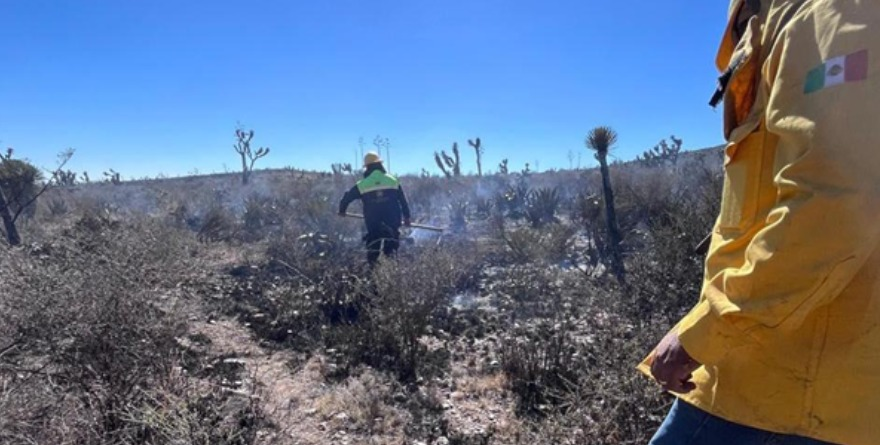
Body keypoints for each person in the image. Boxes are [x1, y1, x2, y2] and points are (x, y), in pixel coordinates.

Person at [641, 1, 880, 444]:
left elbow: (835, 206)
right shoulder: (778, 18)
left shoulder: (823, 13)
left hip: (784, 391)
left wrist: (707, 330)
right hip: (780, 380)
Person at [339, 151, 411, 264]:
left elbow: (347, 197)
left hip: (373, 223)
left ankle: (373, 273)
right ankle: (391, 275)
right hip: (392, 221)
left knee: (373, 249)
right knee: (391, 250)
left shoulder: (362, 184)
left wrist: (342, 210)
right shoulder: (392, 180)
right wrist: (407, 217)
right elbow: (403, 201)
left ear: (367, 167)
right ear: (380, 165)